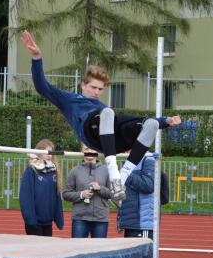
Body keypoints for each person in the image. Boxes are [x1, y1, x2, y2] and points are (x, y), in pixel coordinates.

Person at [21, 30, 181, 203]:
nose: (96, 92)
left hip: (110, 137)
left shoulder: (104, 107)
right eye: (93, 87)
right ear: (83, 85)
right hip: (90, 133)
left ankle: (121, 178)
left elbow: (118, 120)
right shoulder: (69, 99)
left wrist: (166, 121)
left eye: (100, 89)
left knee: (150, 124)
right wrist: (37, 58)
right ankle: (113, 173)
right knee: (107, 113)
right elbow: (42, 87)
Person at [62, 144, 112, 238]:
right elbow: (66, 194)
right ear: (82, 151)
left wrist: (100, 188)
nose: (90, 151)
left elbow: (112, 193)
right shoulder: (75, 171)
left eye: (93, 148)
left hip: (100, 219)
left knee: (99, 251)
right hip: (80, 218)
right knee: (78, 250)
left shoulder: (106, 170)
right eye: (87, 148)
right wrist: (81, 194)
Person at [19, 139, 64, 236]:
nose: (49, 155)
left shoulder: (53, 170)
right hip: (35, 223)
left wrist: (58, 218)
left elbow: (56, 196)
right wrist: (31, 220)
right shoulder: (31, 170)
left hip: (47, 222)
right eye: (46, 152)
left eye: (51, 152)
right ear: (39, 152)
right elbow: (25, 197)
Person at [118, 156, 156, 239]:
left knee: (143, 252)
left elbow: (148, 186)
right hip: (130, 222)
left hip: (142, 223)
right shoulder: (127, 163)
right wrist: (121, 219)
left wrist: (126, 173)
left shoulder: (148, 160)